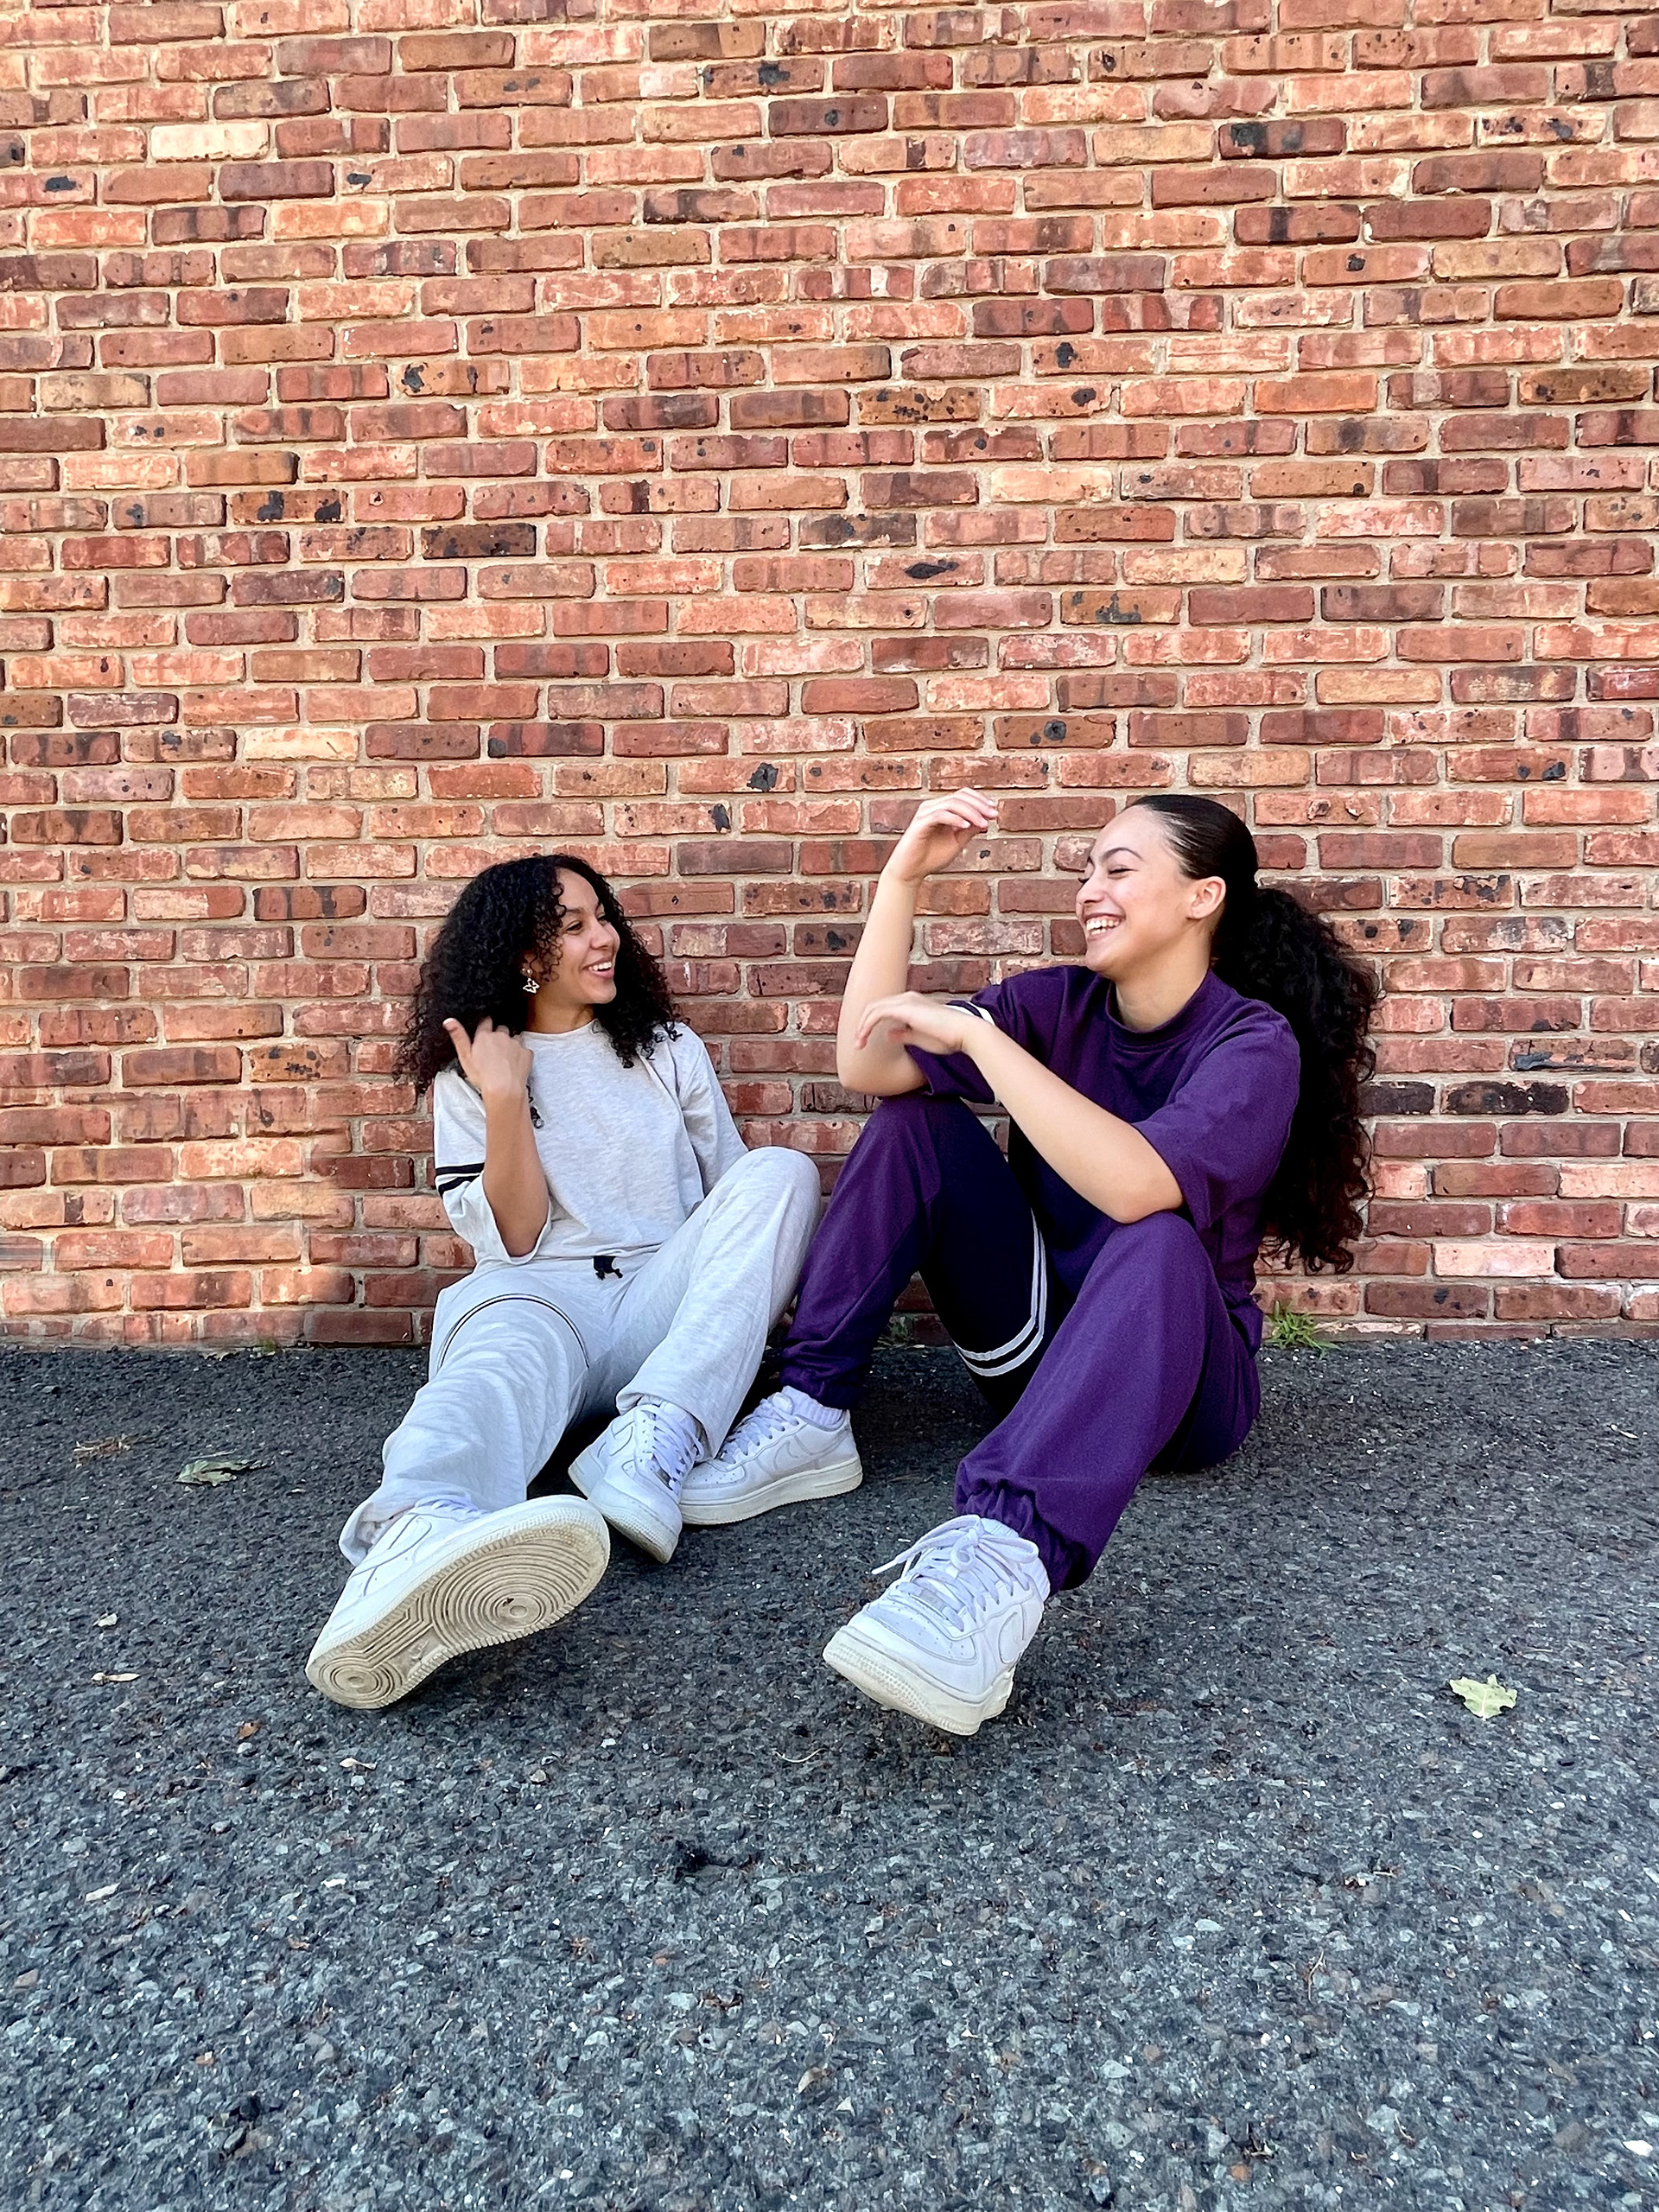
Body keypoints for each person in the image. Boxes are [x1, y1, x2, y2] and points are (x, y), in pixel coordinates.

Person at [677, 791, 1377, 1737]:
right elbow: (867, 1067)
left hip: (1182, 1392)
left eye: (1118, 868)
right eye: (1087, 870)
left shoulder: (1252, 1044)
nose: (1090, 890)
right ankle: (812, 1411)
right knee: (913, 1124)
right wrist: (902, 880)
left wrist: (980, 1037)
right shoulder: (1058, 1003)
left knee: (1158, 1234)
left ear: (1203, 896)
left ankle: (1003, 1559)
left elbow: (1137, 1185)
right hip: (1037, 1355)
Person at [305, 853, 822, 1710]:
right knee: (481, 1384)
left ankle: (654, 1437)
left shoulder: (667, 1050)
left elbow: (740, 1208)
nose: (604, 937)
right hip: (540, 1298)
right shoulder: (472, 1071)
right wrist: (505, 1097)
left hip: (661, 1306)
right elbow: (515, 1236)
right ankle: (411, 1539)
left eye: (603, 917)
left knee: (781, 1173)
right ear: (524, 957)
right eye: (574, 927)